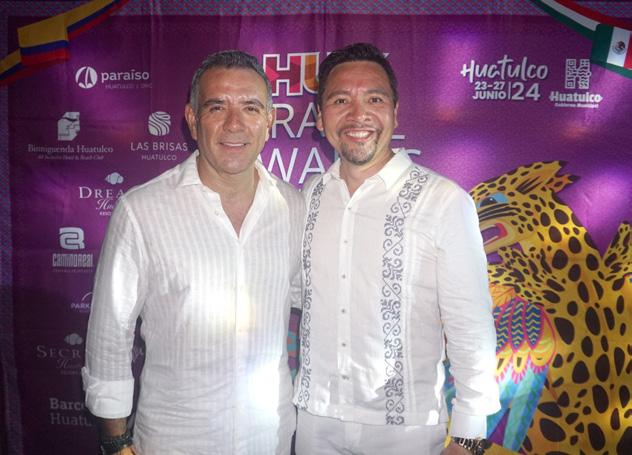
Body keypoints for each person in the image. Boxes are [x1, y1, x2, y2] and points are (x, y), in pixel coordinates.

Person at [82, 50, 303, 455]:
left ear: (270, 120)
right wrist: (115, 441)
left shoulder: (293, 206)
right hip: (174, 441)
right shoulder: (142, 210)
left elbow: (320, 301)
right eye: (217, 107)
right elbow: (110, 333)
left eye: (251, 108)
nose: (234, 123)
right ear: (191, 118)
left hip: (269, 437)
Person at [293, 43, 500, 455]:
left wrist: (468, 434)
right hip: (316, 419)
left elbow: (470, 323)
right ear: (319, 116)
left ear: (395, 111)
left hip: (405, 430)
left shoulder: (443, 201)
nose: (358, 115)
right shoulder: (310, 195)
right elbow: (300, 293)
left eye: (374, 99)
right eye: (340, 100)